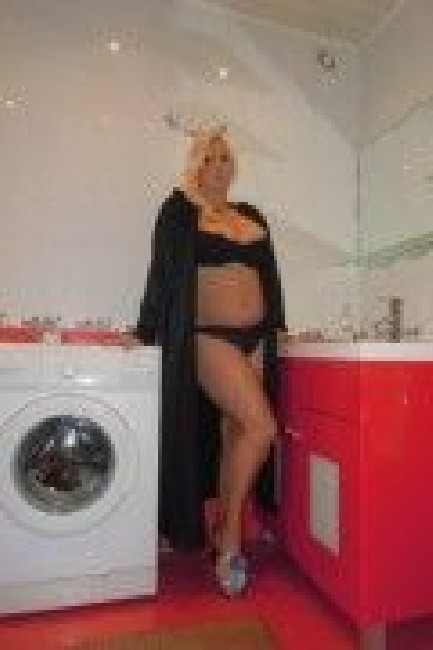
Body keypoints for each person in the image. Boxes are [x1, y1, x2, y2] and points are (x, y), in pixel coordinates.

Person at [129, 127, 287, 597]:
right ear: (196, 165)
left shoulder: (251, 216)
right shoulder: (180, 210)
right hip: (208, 337)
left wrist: (280, 327)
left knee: (237, 434)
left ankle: (222, 526)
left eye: (225, 158)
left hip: (256, 338)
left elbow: (270, 278)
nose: (219, 166)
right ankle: (230, 539)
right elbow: (161, 273)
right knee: (262, 427)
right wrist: (144, 332)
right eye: (210, 158)